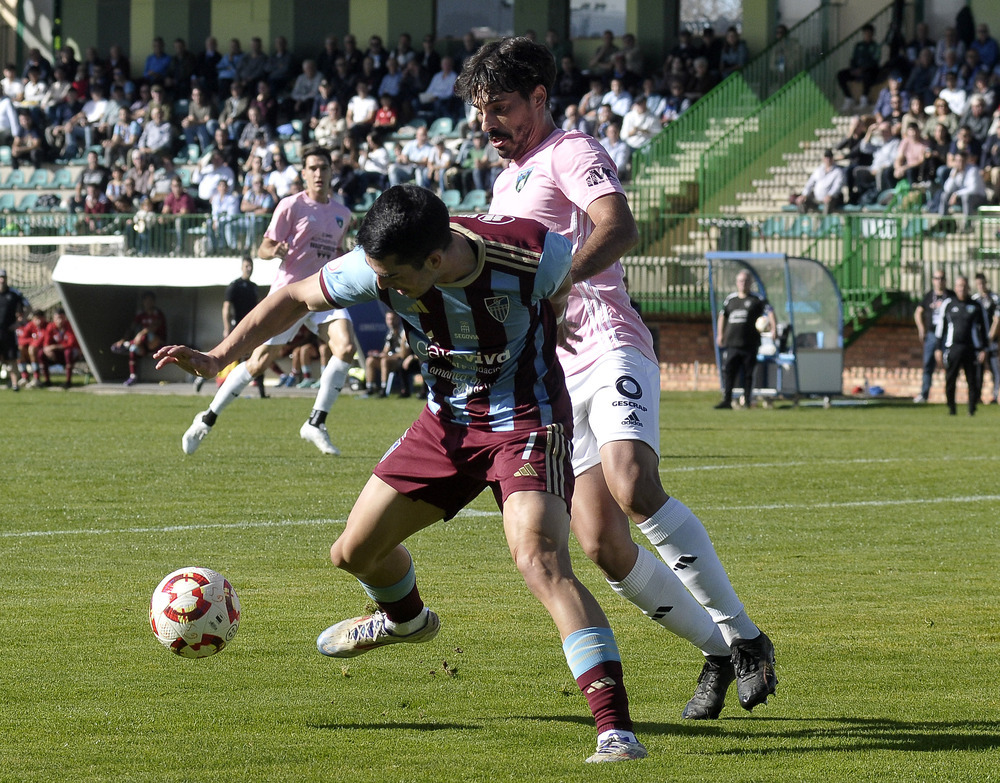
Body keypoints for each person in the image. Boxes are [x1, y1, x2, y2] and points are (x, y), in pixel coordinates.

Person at [155, 185, 647, 764]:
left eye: (394, 278)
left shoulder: (531, 253)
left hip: (526, 419)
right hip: (444, 424)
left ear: (435, 260)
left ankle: (615, 730)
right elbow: (294, 297)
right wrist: (221, 356)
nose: (382, 287)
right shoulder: (379, 263)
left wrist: (554, 306)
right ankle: (406, 621)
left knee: (538, 558)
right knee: (353, 553)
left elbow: (590, 257)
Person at [456, 36, 778, 721]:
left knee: (633, 481)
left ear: (538, 100)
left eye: (502, 108)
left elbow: (618, 226)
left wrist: (558, 280)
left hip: (608, 343)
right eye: (481, 112)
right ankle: (717, 651)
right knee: (600, 541)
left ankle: (748, 637)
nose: (489, 125)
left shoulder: (570, 151)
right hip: (556, 372)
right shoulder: (503, 182)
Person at [180, 145, 357, 457]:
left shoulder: (342, 214)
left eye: (324, 168)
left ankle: (316, 422)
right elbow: (264, 247)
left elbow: (336, 252)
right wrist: (273, 251)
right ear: (303, 173)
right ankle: (206, 419)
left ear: (332, 172)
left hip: (324, 291)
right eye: (312, 168)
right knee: (259, 362)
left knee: (345, 347)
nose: (318, 173)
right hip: (289, 295)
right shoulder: (290, 206)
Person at [715, 269, 776, 409]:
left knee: (748, 374)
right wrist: (720, 334)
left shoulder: (757, 299)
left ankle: (747, 400)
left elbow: (770, 311)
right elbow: (722, 317)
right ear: (737, 283)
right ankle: (727, 400)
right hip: (732, 343)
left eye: (746, 281)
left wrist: (773, 328)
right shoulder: (731, 299)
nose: (743, 283)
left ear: (750, 283)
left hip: (750, 343)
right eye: (741, 281)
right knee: (729, 372)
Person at [935, 275, 989, 416]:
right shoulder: (949, 304)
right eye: (959, 286)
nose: (962, 289)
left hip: (972, 348)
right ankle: (951, 409)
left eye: (964, 286)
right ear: (955, 288)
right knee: (951, 379)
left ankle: (971, 409)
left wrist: (984, 348)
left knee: (973, 380)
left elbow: (984, 328)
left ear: (968, 288)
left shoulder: (976, 305)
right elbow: (941, 328)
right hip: (953, 347)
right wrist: (938, 348)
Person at [913, 270, 956, 403]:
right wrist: (921, 329)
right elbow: (918, 312)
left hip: (947, 335)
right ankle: (924, 394)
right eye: (937, 278)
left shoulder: (951, 296)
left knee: (949, 364)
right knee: (928, 365)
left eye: (942, 278)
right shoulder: (929, 296)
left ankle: (949, 396)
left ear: (945, 280)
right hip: (932, 334)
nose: (939, 281)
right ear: (933, 280)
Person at [110, 290, 167, 386]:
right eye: (146, 301)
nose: (148, 303)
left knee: (147, 335)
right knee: (133, 349)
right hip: (144, 346)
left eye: (150, 300)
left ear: (154, 302)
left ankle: (128, 344)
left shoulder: (158, 314)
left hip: (157, 345)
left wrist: (141, 334)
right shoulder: (141, 315)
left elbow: (153, 327)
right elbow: (132, 327)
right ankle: (133, 376)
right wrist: (123, 339)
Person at [363, 310, 411, 397]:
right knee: (370, 360)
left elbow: (404, 354)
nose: (390, 322)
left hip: (403, 362)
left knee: (384, 360)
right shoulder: (390, 332)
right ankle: (369, 388)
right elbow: (385, 351)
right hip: (393, 359)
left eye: (392, 319)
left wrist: (387, 356)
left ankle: (383, 389)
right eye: (388, 319)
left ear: (398, 319)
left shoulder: (404, 332)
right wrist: (377, 354)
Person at [837, 24, 882, 113]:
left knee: (869, 74)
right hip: (857, 70)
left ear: (872, 34)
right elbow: (853, 59)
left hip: (869, 71)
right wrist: (854, 69)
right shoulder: (858, 45)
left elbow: (875, 61)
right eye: (865, 33)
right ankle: (849, 98)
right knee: (841, 74)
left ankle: (864, 98)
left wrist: (863, 69)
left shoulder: (876, 46)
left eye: (869, 33)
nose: (867, 35)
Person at [972, 272, 1000, 404]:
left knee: (995, 368)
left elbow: (997, 319)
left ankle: (996, 395)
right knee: (978, 370)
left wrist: (989, 337)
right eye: (978, 284)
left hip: (992, 341)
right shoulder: (974, 299)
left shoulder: (994, 298)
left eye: (982, 283)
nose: (981, 286)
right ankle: (977, 396)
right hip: (979, 343)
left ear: (986, 283)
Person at [41, 308, 80, 389]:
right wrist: (47, 349)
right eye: (57, 318)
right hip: (57, 353)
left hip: (72, 351)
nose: (59, 321)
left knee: (68, 352)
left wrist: (54, 347)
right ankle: (47, 380)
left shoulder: (70, 326)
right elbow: (46, 342)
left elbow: (71, 343)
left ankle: (68, 381)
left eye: (61, 318)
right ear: (54, 319)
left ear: (65, 318)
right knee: (41, 353)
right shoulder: (51, 327)